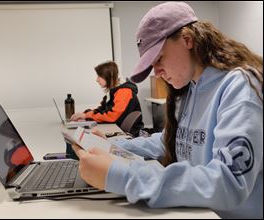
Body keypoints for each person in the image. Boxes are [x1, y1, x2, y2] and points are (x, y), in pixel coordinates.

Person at [72, 2, 263, 219]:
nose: (158, 72)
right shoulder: (190, 88)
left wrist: (122, 176)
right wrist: (111, 147)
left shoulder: (240, 87)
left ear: (187, 40)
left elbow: (229, 181)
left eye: (159, 59)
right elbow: (169, 141)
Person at [70, 61, 144, 137]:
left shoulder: (124, 92)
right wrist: (85, 114)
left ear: (108, 76)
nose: (97, 80)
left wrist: (86, 116)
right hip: (116, 129)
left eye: (99, 76)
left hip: (125, 134)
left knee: (79, 138)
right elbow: (102, 110)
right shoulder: (115, 91)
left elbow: (112, 116)